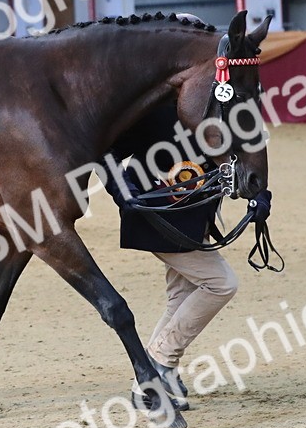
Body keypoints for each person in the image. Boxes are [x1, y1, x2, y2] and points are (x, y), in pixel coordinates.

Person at [99, 99, 238, 411]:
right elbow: (105, 153)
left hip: (193, 221)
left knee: (180, 298)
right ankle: (159, 362)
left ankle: (147, 386)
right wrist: (125, 194)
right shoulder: (156, 110)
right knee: (221, 283)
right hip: (158, 217)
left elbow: (244, 159)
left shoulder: (222, 111)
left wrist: (260, 195)